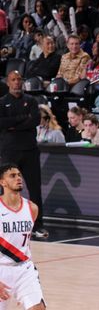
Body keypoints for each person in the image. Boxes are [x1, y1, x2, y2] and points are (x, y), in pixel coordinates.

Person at [0, 163, 63, 310]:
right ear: (2, 182)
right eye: (12, 175)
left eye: (19, 175)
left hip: (25, 270)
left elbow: (23, 245)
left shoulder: (32, 208)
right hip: (0, 272)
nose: (18, 178)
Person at [0, 72, 48, 238]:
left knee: (35, 189)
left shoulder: (31, 100)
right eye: (13, 80)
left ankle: (38, 226)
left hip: (30, 151)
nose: (17, 83)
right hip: (9, 151)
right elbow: (2, 123)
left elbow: (34, 120)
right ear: (8, 82)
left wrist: (13, 125)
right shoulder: (2, 102)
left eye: (19, 80)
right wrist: (22, 119)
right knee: (5, 188)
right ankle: (4, 224)